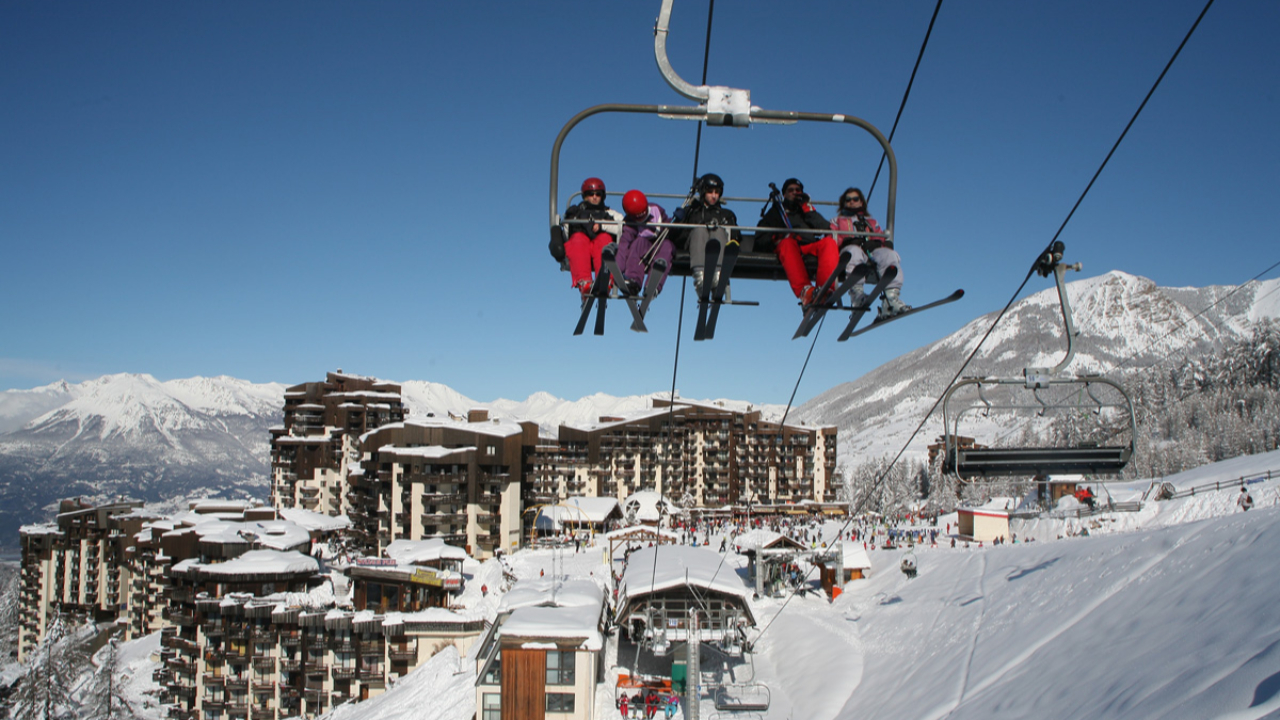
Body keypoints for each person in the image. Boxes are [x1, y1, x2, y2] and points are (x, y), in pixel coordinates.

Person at [757, 178, 839, 309]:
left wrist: (807, 208)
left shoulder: (806, 210)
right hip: (791, 247)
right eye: (791, 190)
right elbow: (761, 237)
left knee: (829, 242)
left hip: (808, 245)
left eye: (798, 190)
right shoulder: (776, 212)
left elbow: (824, 228)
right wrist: (775, 238)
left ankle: (824, 289)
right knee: (787, 243)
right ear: (784, 194)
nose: (795, 193)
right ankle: (805, 291)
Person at [830, 187, 910, 317]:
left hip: (870, 251)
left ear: (861, 202)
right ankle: (857, 295)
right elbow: (832, 238)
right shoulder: (837, 220)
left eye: (855, 199)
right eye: (848, 200)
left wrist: (878, 242)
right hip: (851, 250)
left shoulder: (871, 222)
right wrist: (846, 241)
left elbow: (878, 235)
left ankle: (891, 298)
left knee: (888, 254)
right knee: (853, 252)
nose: (852, 202)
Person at [673, 173, 740, 296]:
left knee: (718, 231)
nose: (714, 196)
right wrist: (678, 220)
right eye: (710, 192)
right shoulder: (692, 211)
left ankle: (718, 276)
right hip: (696, 244)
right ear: (703, 192)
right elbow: (677, 236)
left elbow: (735, 236)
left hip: (719, 243)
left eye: (717, 192)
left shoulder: (726, 214)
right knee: (699, 230)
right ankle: (701, 278)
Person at [562, 177, 623, 298]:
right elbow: (566, 232)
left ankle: (605, 281)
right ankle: (584, 283)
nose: (594, 197)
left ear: (602, 196)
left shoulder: (611, 213)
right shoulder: (576, 212)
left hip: (599, 246)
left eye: (598, 194)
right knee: (578, 239)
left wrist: (602, 226)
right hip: (582, 247)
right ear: (585, 196)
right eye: (591, 194)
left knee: (604, 239)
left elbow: (622, 228)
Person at [616, 190, 672, 296]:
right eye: (639, 217)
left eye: (644, 213)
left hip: (661, 243)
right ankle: (633, 280)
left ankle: (653, 285)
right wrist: (617, 270)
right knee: (638, 243)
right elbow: (624, 244)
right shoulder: (630, 224)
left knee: (667, 246)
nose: (642, 218)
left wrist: (677, 221)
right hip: (645, 247)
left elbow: (669, 226)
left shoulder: (656, 211)